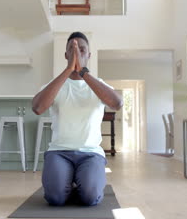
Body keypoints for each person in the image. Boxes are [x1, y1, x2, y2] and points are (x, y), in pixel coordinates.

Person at [32, 32, 123, 206]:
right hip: (59, 152)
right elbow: (37, 108)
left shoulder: (98, 84)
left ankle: (81, 183)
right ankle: (68, 183)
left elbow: (117, 103)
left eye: (82, 50)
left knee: (91, 197)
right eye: (72, 51)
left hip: (90, 154)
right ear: (66, 55)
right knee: (55, 198)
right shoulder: (56, 84)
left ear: (88, 55)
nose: (77, 54)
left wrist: (82, 71)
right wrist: (68, 70)